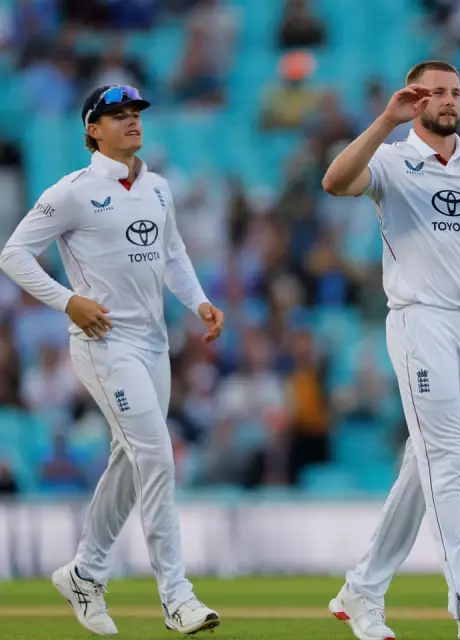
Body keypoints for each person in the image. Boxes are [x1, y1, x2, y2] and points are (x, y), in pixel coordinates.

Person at [321, 60, 460, 640]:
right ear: (415, 100)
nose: (449, 101)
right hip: (419, 322)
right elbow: (335, 182)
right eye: (437, 93)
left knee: (423, 469)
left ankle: (361, 590)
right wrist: (383, 122)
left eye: (456, 93)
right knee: (445, 459)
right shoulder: (394, 161)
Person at [0, 85, 225, 636]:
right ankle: (177, 597)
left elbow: (173, 253)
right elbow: (12, 253)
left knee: (131, 461)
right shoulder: (72, 192)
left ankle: (85, 571)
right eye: (116, 115)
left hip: (153, 346)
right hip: (104, 343)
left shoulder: (159, 188)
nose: (130, 122)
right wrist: (67, 301)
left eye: (135, 114)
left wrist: (197, 301)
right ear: (91, 131)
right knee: (158, 457)